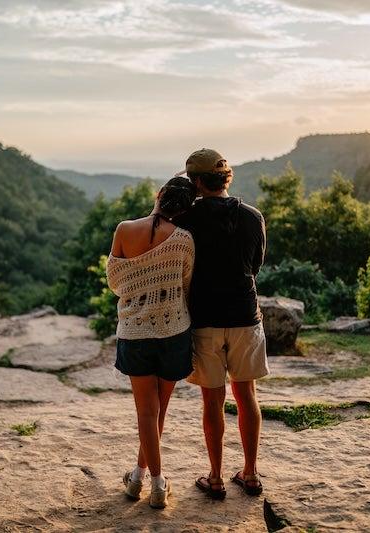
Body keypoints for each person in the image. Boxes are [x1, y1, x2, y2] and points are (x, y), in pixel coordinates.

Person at [173, 148, 268, 500]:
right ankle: (251, 473)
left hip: (205, 320)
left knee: (211, 402)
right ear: (226, 177)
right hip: (245, 315)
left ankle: (214, 477)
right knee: (247, 397)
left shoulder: (186, 219)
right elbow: (255, 264)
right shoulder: (253, 215)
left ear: (197, 182)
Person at [106, 176, 197, 509]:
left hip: (135, 332)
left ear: (159, 195)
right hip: (174, 332)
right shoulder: (185, 239)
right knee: (159, 412)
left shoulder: (124, 229)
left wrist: (140, 278)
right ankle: (144, 479)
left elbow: (116, 282)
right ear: (185, 210)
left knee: (146, 412)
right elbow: (186, 285)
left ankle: (149, 481)